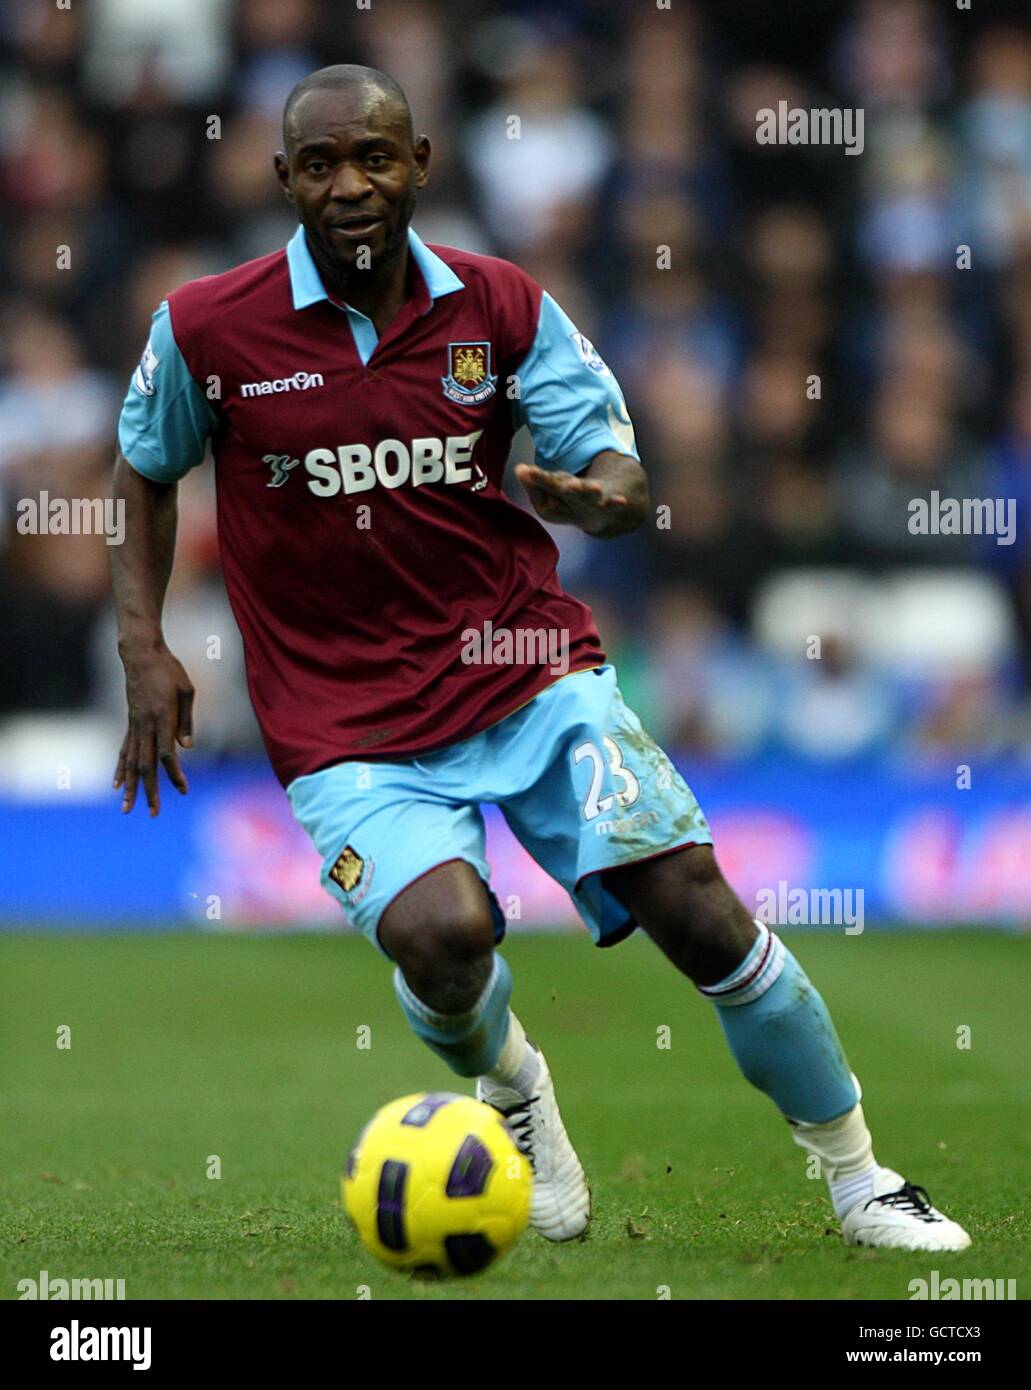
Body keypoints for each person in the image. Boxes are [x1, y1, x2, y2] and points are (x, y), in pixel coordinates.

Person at [110, 65, 969, 1253]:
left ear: (418, 164)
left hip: (525, 675)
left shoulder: (500, 304)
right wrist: (142, 643)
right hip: (343, 717)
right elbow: (145, 467)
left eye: (372, 157)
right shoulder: (208, 326)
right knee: (446, 936)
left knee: (697, 909)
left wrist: (604, 503)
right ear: (283, 181)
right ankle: (513, 1088)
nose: (348, 185)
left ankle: (859, 1176)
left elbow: (612, 464)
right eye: (319, 165)